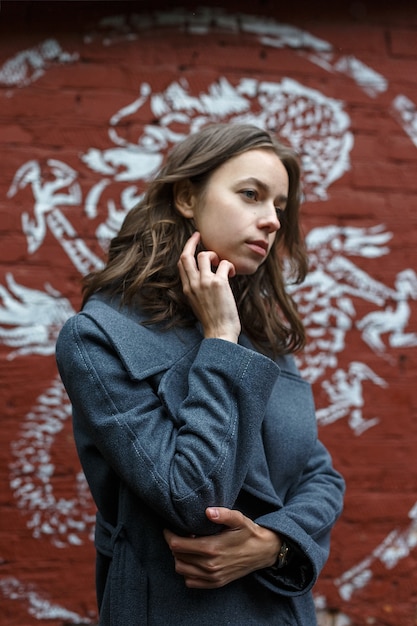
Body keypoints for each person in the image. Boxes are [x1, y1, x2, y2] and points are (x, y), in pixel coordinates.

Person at [56, 123, 345, 625]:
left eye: (279, 205)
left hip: (281, 608)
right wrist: (219, 339)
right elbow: (192, 497)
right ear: (187, 196)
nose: (272, 221)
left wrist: (275, 545)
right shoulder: (98, 337)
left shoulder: (259, 335)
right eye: (251, 195)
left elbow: (319, 475)